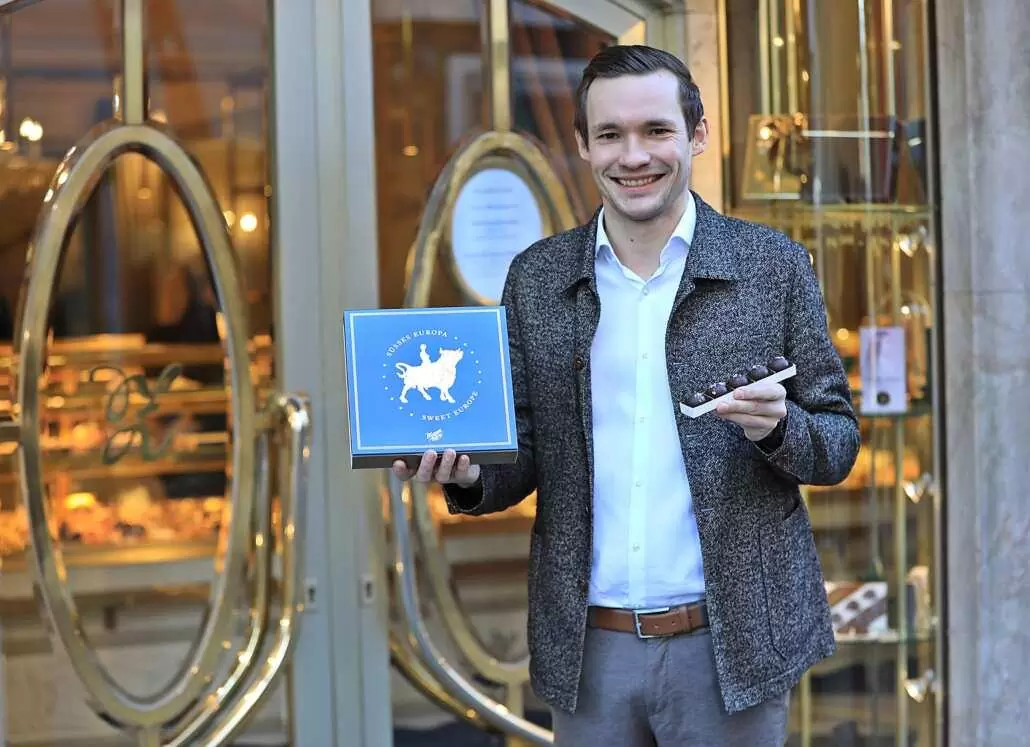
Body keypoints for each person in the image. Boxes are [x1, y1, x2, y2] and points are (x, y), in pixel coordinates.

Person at [393, 44, 859, 746]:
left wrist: (778, 427)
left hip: (731, 646)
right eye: (610, 134)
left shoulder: (773, 267)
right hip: (591, 651)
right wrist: (467, 474)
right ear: (582, 144)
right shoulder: (538, 280)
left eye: (656, 131)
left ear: (697, 135)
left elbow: (837, 443)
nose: (632, 155)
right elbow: (518, 453)